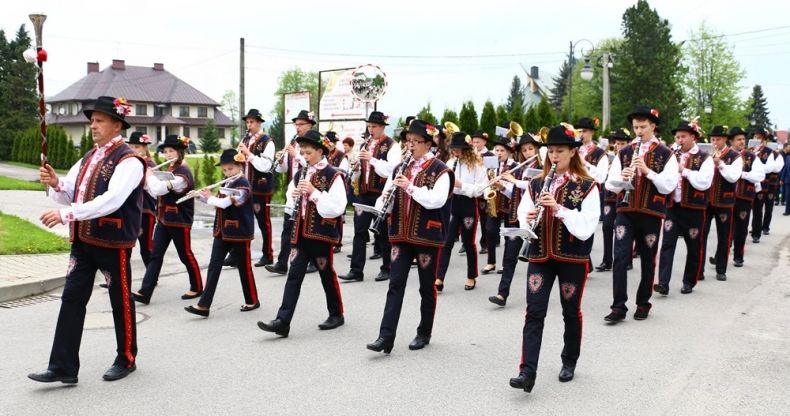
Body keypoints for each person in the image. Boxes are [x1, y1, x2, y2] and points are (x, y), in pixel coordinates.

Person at [30, 96, 144, 383]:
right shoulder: (89, 157)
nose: (93, 125)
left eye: (100, 120)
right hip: (83, 241)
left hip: (112, 241)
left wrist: (67, 214)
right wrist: (57, 183)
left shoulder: (130, 161)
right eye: (92, 120)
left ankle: (126, 357)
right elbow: (72, 191)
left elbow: (112, 200)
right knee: (71, 299)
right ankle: (63, 367)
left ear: (117, 125)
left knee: (121, 300)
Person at [509, 125, 600, 393]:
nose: (554, 155)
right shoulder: (536, 183)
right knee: (534, 312)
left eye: (560, 150)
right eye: (551, 150)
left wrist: (559, 209)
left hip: (571, 257)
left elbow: (587, 226)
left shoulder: (587, 186)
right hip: (539, 255)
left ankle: (569, 360)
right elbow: (523, 209)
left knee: (570, 311)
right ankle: (527, 372)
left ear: (573, 152)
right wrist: (526, 216)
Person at [366, 119, 453, 354]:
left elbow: (436, 200)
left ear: (428, 144)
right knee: (395, 284)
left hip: (427, 235)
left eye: (416, 142)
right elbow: (386, 194)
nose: (410, 146)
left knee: (426, 287)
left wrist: (410, 188)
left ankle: (424, 332)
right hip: (400, 233)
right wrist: (383, 202)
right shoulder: (399, 168)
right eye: (408, 141)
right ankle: (386, 337)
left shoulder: (441, 170)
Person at [257, 130, 347, 337]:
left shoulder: (333, 175)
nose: (304, 157)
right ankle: (282, 321)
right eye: (303, 153)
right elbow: (290, 197)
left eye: (308, 153)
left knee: (326, 273)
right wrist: (295, 196)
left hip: (321, 233)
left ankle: (336, 314)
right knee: (294, 275)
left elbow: (337, 207)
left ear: (320, 151)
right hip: (300, 232)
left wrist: (314, 193)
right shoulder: (300, 173)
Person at [604, 106, 679, 322]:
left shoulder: (667, 154)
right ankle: (618, 306)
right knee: (620, 258)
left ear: (653, 126)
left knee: (648, 259)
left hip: (651, 213)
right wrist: (623, 178)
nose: (638, 131)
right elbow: (610, 183)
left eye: (643, 127)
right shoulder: (625, 152)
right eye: (636, 127)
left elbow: (668, 185)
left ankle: (643, 302)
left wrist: (647, 172)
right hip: (625, 211)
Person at [184, 149, 260, 317]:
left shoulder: (244, 185)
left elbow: (226, 203)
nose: (227, 173)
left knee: (244, 268)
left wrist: (209, 197)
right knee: (214, 266)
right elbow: (218, 203)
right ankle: (204, 305)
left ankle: (252, 300)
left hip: (239, 232)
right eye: (224, 170)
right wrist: (200, 196)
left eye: (231, 169)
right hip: (222, 231)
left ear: (240, 166)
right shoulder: (227, 182)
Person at [132, 135, 203, 305]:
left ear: (180, 152)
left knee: (185, 255)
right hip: (164, 219)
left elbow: (158, 189)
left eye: (172, 151)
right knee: (155, 256)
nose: (168, 154)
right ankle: (145, 292)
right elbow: (153, 191)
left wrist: (149, 175)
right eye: (166, 151)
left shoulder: (183, 173)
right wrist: (145, 181)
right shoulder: (168, 169)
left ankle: (198, 286)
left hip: (180, 220)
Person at [339, 111, 402, 282]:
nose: (371, 129)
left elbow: (393, 170)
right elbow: (362, 172)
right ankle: (356, 270)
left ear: (382, 127)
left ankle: (387, 268)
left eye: (374, 126)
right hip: (364, 193)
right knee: (359, 231)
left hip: (382, 194)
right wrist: (356, 168)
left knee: (382, 232)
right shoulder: (364, 145)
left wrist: (372, 159)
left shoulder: (392, 146)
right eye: (369, 126)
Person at [653, 120, 713, 295]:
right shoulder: (672, 155)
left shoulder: (705, 158)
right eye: (677, 137)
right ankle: (663, 283)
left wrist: (683, 170)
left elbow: (704, 182)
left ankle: (689, 281)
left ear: (693, 137)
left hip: (694, 208)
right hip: (672, 206)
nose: (680, 140)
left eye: (683, 136)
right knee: (667, 244)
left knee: (693, 246)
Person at [489, 132, 543, 306]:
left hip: (536, 219)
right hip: (515, 217)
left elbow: (536, 187)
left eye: (530, 149)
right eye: (525, 150)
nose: (527, 152)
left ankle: (538, 295)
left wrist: (513, 180)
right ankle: (502, 294)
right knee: (509, 257)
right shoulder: (519, 169)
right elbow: (515, 193)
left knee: (538, 260)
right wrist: (503, 187)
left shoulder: (543, 168)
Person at [266, 110, 317, 275]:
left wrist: (296, 155)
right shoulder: (294, 142)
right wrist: (281, 160)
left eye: (301, 124)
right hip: (294, 189)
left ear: (310, 125)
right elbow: (285, 169)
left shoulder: (317, 142)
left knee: (308, 226)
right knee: (287, 226)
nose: (298, 127)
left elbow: (316, 164)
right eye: (296, 124)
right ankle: (282, 263)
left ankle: (314, 261)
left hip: (310, 187)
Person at [435, 131, 487, 291]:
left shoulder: (478, 165)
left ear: (466, 149)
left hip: (468, 204)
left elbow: (480, 189)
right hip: (451, 203)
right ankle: (439, 277)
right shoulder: (451, 162)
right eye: (453, 148)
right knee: (447, 241)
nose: (454, 151)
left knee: (468, 242)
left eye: (457, 148)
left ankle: (471, 276)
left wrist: (461, 185)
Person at [701, 125, 743, 281]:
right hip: (706, 202)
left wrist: (721, 164)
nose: (714, 142)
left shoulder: (735, 156)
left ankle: (721, 270)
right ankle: (699, 271)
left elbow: (733, 177)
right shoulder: (705, 155)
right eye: (712, 139)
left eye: (717, 139)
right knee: (701, 237)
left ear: (725, 139)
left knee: (724, 237)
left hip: (725, 202)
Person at [236, 109, 276, 267]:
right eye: (247, 122)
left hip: (260, 188)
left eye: (252, 122)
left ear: (259, 123)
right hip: (245, 187)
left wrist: (248, 154)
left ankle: (268, 255)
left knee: (263, 223)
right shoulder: (246, 140)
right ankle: (237, 254)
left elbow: (265, 166)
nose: (249, 125)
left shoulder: (268, 141)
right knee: (241, 220)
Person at [595, 128, 631, 272]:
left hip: (624, 196)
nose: (618, 146)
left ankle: (627, 259)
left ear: (628, 143)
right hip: (609, 196)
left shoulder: (630, 157)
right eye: (616, 143)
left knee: (624, 229)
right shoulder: (610, 157)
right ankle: (607, 260)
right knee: (607, 226)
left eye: (622, 143)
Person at [729, 127, 765, 267]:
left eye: (743, 139)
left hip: (744, 198)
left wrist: (742, 174)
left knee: (741, 228)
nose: (742, 142)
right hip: (726, 197)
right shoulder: (725, 155)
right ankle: (722, 255)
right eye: (738, 139)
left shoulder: (751, 157)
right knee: (726, 229)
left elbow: (760, 175)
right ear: (731, 141)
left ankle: (738, 257)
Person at [482, 137, 517, 275]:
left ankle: (505, 264)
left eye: (502, 150)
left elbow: (514, 189)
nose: (499, 153)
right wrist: (488, 194)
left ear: (508, 152)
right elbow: (486, 182)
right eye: (496, 150)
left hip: (508, 203)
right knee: (490, 231)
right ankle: (491, 262)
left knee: (508, 235)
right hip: (494, 203)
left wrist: (502, 186)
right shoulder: (491, 165)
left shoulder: (515, 166)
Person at [127, 132, 157, 268]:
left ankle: (150, 279)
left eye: (137, 147)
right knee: (124, 246)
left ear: (145, 148)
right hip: (130, 209)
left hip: (146, 209)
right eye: (131, 147)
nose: (134, 150)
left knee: (146, 247)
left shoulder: (150, 164)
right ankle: (119, 279)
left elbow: (153, 188)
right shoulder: (128, 162)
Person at [751, 128, 783, 241]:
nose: (756, 139)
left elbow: (774, 167)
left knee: (767, 207)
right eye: (755, 137)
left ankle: (763, 228)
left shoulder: (771, 152)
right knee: (755, 208)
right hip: (753, 182)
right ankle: (755, 228)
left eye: (759, 138)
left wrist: (757, 168)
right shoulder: (750, 151)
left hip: (769, 183)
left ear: (764, 140)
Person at [471, 131, 494, 255]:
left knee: (485, 219)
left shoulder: (490, 155)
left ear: (484, 142)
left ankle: (484, 243)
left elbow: (491, 172)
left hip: (484, 189)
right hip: (473, 189)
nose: (475, 144)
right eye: (474, 142)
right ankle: (467, 242)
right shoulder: (471, 154)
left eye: (478, 142)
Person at [782, 142, 790, 214]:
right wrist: (782, 179)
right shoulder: (787, 158)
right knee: (787, 196)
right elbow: (784, 169)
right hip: (788, 180)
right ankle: (787, 211)